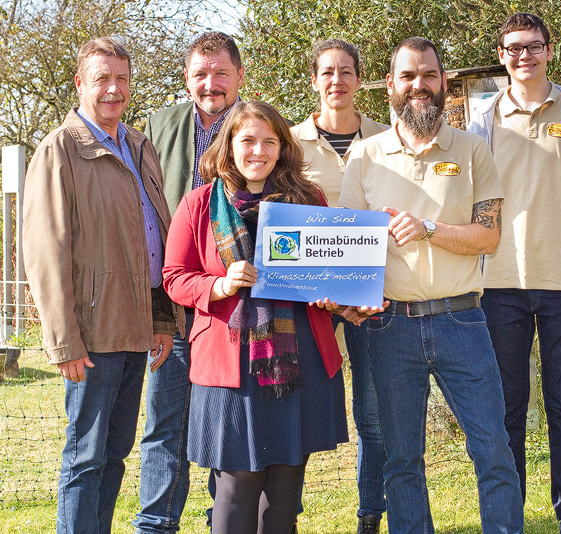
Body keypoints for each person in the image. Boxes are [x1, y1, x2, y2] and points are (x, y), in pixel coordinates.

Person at [339, 37, 524, 534]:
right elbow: (349, 245)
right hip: (390, 327)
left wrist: (427, 228)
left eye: (427, 75)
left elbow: (488, 236)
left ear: (443, 82)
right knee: (401, 459)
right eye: (407, 76)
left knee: (493, 450)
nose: (418, 85)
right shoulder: (365, 155)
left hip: (463, 321)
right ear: (390, 86)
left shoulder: (473, 149)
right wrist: (348, 299)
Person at [162, 101, 349, 534]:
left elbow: (329, 270)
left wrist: (333, 293)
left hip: (298, 358)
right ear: (228, 145)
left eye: (269, 141)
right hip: (230, 365)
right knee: (236, 484)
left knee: (285, 485)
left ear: (283, 148)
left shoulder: (309, 200)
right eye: (248, 140)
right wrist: (219, 285)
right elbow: (174, 277)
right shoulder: (198, 204)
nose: (259, 151)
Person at [22, 37, 180, 534]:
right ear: (80, 84)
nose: (114, 89)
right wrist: (64, 341)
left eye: (122, 79)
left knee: (115, 453)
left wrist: (161, 319)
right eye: (102, 79)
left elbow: (155, 234)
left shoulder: (139, 144)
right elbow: (44, 251)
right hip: (91, 336)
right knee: (84, 456)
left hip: (136, 329)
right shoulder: (59, 150)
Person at [467, 12, 561, 534]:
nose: (524, 55)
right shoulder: (483, 120)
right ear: (502, 56)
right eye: (514, 47)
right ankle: (511, 510)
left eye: (534, 45)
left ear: (549, 50)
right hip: (499, 281)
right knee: (507, 405)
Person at [134, 31, 243, 534]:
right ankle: (156, 524)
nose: (210, 83)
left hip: (238, 311)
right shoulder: (157, 127)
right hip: (176, 305)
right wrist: (157, 310)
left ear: (239, 75)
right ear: (186, 78)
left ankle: (227, 519)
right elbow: (146, 219)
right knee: (165, 426)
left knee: (233, 427)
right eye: (200, 73)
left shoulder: (259, 126)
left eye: (221, 72)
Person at [290, 37, 389, 534]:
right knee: (298, 406)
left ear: (359, 79)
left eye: (346, 71)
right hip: (311, 297)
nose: (336, 81)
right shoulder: (287, 143)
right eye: (327, 72)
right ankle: (283, 514)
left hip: (371, 297)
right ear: (314, 80)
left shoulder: (387, 139)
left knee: (372, 413)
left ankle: (370, 513)